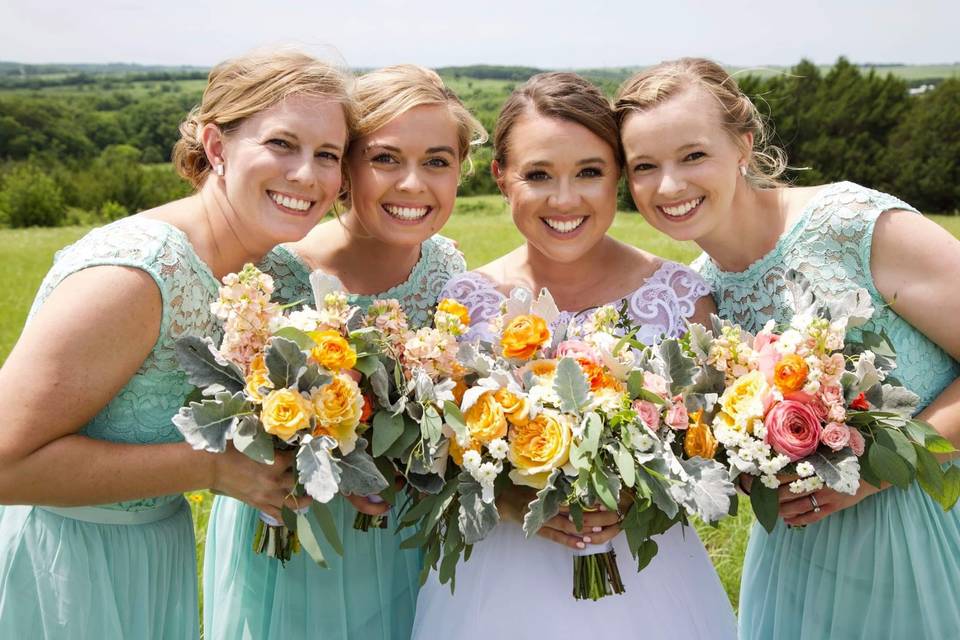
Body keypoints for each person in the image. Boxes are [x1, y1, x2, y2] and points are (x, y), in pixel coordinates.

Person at [0, 48, 353, 639]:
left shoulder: (273, 275)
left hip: (154, 559)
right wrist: (211, 469)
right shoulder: (136, 275)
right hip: (62, 567)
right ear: (216, 147)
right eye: (282, 144)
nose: (307, 175)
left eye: (328, 155)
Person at [615, 57, 960, 639]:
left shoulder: (853, 226)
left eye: (693, 155)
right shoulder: (700, 296)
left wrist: (877, 474)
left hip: (923, 523)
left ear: (744, 145)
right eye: (645, 166)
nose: (669, 185)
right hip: (799, 556)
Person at [412, 72, 737, 639]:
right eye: (538, 174)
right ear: (501, 177)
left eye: (589, 172)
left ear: (617, 175)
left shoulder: (680, 298)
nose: (564, 199)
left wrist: (635, 493)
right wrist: (508, 498)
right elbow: (433, 452)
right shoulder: (463, 303)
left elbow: (714, 453)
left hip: (648, 583)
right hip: (499, 584)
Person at [203, 64, 485, 640]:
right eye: (385, 158)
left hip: (406, 534)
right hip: (292, 536)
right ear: (345, 169)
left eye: (436, 161)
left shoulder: (447, 267)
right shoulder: (275, 271)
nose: (413, 184)